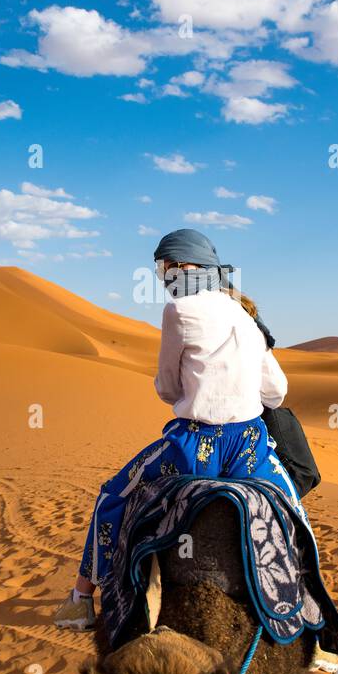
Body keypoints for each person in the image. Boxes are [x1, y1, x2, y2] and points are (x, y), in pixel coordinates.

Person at [52, 228, 299, 631]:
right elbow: (277, 391)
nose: (161, 277)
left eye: (162, 268)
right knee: (293, 513)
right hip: (250, 447)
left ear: (181, 266)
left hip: (194, 447)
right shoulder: (247, 315)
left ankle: (81, 600)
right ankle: (318, 629)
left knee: (112, 498)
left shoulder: (179, 312)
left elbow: (168, 388)